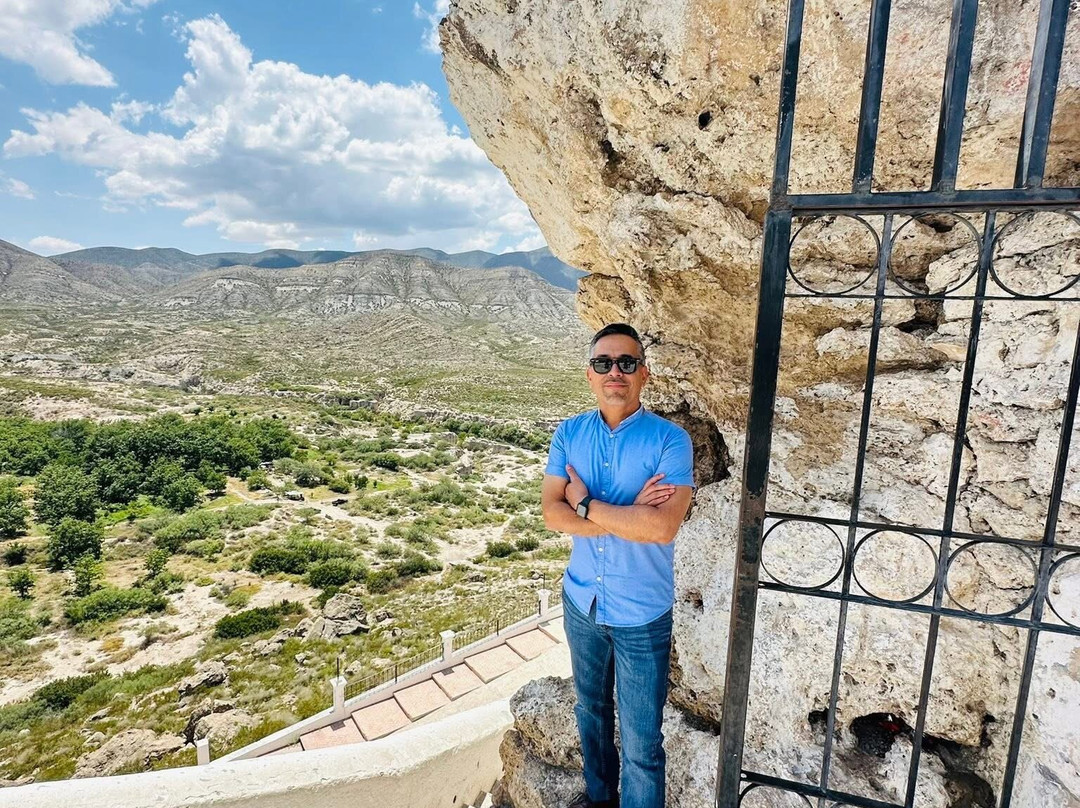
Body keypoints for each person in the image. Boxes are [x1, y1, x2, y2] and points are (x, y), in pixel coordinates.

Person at [541, 322, 695, 808]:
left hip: (641, 613)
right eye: (603, 362)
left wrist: (586, 504)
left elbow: (661, 528)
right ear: (589, 373)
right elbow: (551, 514)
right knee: (590, 710)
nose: (615, 372)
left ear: (643, 374)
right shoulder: (569, 433)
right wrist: (628, 517)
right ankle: (599, 798)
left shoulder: (671, 441)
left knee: (642, 744)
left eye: (627, 362)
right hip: (581, 600)